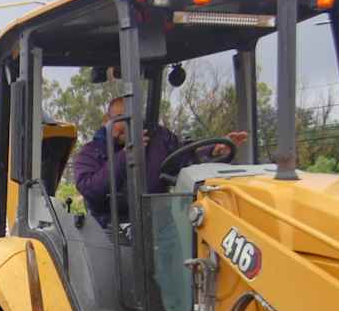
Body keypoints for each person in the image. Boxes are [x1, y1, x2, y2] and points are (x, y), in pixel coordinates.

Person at [73, 93, 246, 229]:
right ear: (106, 121)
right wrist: (126, 156)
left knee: (179, 270)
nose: (127, 124)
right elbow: (90, 189)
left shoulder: (159, 138)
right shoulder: (90, 153)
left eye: (132, 118)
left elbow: (183, 158)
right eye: (120, 118)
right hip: (111, 231)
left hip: (159, 226)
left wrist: (214, 150)